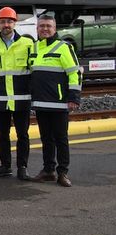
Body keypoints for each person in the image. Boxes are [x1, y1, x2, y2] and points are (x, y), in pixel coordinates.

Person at [29, 14, 81, 187]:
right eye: (41, 26)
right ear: (37, 28)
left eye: (48, 26)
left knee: (61, 139)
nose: (45, 29)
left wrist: (74, 97)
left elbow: (74, 73)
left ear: (54, 28)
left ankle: (63, 173)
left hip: (59, 103)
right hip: (41, 103)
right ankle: (48, 170)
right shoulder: (34, 47)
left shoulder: (64, 47)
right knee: (46, 139)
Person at [0, 7, 34, 180]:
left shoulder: (28, 44)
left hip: (22, 98)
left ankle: (22, 167)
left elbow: (33, 70)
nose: (6, 25)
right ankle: (5, 166)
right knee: (2, 135)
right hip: (0, 98)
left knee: (23, 135)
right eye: (3, 21)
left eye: (9, 21)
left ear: (15, 23)